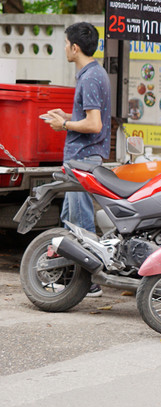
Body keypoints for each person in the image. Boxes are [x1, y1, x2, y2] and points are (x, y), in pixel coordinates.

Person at [44, 22, 111, 296]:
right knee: (70, 218)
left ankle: (88, 282)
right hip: (79, 158)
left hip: (83, 159)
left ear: (75, 47)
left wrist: (65, 126)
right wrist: (69, 115)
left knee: (79, 222)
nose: (64, 49)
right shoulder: (92, 74)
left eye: (65, 44)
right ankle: (71, 277)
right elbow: (91, 118)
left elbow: (94, 125)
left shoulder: (90, 77)